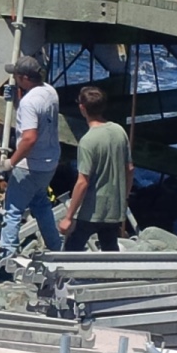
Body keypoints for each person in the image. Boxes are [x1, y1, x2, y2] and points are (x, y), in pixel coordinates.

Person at [0, 56, 64, 260]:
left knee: (13, 209)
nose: (14, 78)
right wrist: (16, 100)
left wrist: (11, 162)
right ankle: (56, 248)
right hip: (49, 161)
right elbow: (39, 119)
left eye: (16, 75)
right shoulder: (50, 91)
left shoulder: (29, 102)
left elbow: (29, 138)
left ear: (25, 77)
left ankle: (6, 256)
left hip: (29, 166)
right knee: (40, 203)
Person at [57, 86, 133, 252]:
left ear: (82, 108)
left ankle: (67, 278)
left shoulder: (87, 141)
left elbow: (83, 182)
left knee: (72, 249)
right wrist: (124, 198)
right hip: (114, 207)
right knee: (109, 248)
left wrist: (68, 216)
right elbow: (129, 169)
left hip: (91, 210)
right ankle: (111, 278)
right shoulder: (119, 131)